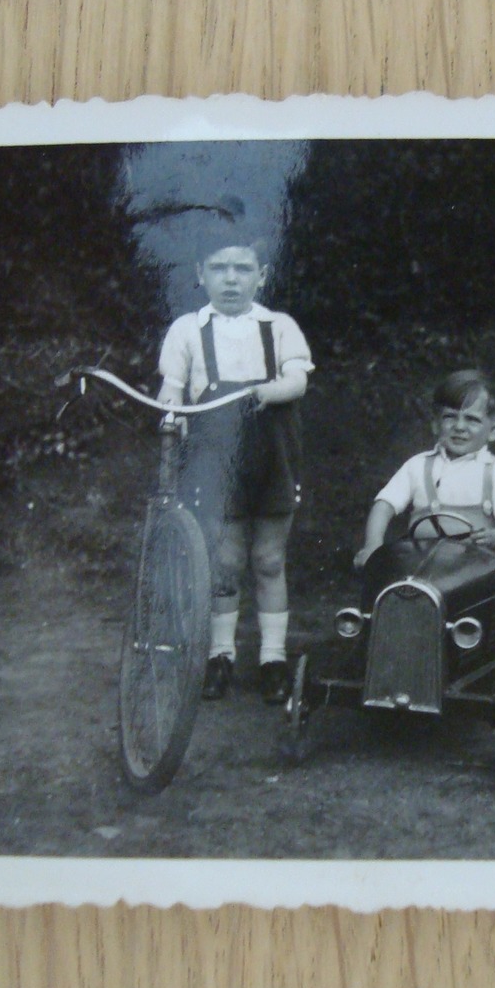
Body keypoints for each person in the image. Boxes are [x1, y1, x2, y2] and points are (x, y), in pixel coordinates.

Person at [156, 222, 312, 705]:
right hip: (214, 459)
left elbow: (297, 380)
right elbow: (172, 389)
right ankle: (220, 656)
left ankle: (272, 659)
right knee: (223, 562)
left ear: (261, 276)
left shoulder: (277, 326)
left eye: (242, 269)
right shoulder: (187, 329)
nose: (230, 279)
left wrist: (266, 390)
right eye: (219, 268)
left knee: (267, 559)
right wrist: (171, 415)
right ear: (200, 274)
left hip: (271, 455)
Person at [354, 370, 495, 569]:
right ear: (435, 424)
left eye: (472, 419)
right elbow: (384, 505)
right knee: (390, 580)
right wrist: (373, 544)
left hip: (479, 568)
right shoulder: (418, 465)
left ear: (493, 431)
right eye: (450, 417)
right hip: (422, 565)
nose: (459, 426)